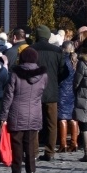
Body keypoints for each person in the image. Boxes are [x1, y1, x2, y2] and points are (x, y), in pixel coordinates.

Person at [0, 47, 47, 173]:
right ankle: (31, 170)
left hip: (17, 112)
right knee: (30, 143)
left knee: (17, 143)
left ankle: (16, 170)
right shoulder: (43, 75)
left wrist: (3, 115)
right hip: (34, 112)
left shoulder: (15, 74)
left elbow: (8, 96)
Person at [30, 25, 65, 162]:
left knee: (34, 122)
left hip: (34, 91)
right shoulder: (57, 51)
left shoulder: (30, 50)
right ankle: (50, 151)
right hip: (51, 90)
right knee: (51, 123)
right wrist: (55, 81)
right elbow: (63, 71)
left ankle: (34, 151)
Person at [57, 41, 78, 152]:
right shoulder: (76, 61)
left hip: (63, 90)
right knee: (73, 117)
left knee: (62, 117)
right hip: (74, 91)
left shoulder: (63, 60)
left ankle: (63, 143)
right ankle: (74, 142)